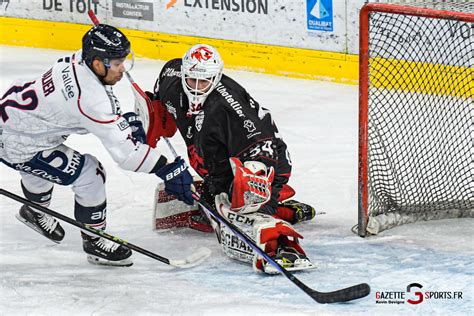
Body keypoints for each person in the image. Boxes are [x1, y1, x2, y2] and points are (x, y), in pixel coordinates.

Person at [0, 24, 193, 267]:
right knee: (91, 174)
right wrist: (167, 168)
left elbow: (104, 107)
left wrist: (122, 123)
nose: (122, 69)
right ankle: (95, 241)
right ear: (97, 64)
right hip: (22, 143)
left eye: (124, 60)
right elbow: (127, 155)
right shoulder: (89, 99)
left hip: (14, 122)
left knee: (42, 164)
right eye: (116, 63)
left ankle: (35, 211)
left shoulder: (79, 59)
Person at [149, 44, 316, 273]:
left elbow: (263, 151)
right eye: (192, 81)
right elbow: (159, 94)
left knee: (245, 210)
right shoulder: (171, 77)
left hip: (264, 161)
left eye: (205, 81)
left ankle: (282, 243)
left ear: (216, 77)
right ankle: (279, 208)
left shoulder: (230, 107)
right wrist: (150, 115)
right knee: (212, 200)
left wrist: (254, 201)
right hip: (217, 158)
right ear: (184, 74)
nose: (197, 88)